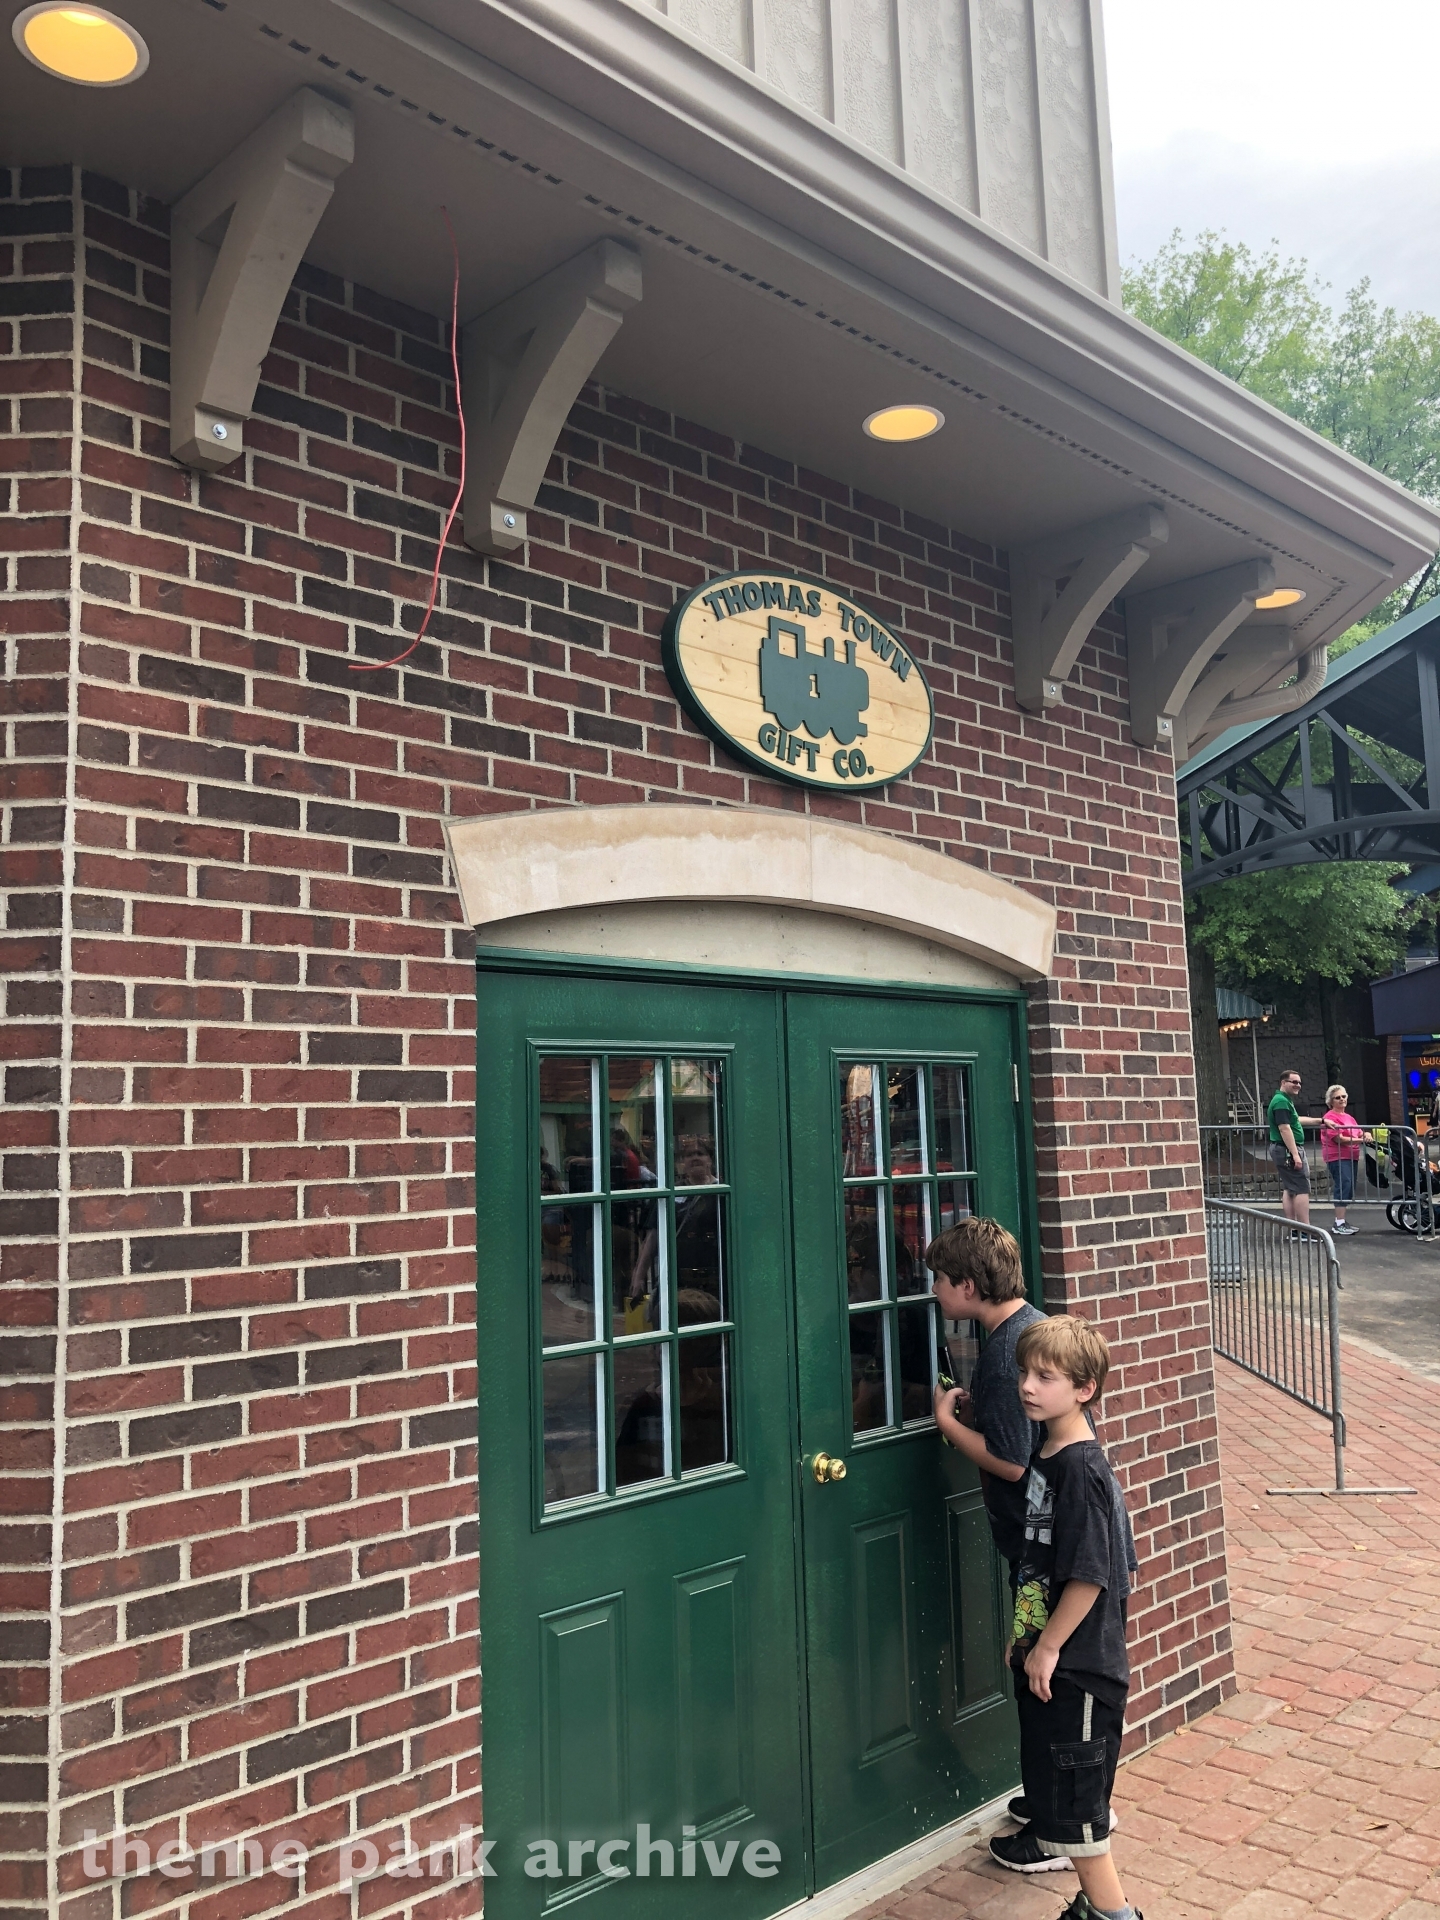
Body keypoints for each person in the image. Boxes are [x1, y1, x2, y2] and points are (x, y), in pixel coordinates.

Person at [986, 1316, 1141, 1920]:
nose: (1027, 1386)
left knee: (1080, 1817)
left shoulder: (1080, 1469)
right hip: (1048, 1657)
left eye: (1045, 1377)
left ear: (1084, 1389)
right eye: (1025, 1372)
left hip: (1078, 1671)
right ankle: (1092, 1905)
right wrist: (1025, 1637)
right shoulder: (1046, 1451)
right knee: (1056, 1797)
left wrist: (1048, 1646)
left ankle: (1111, 1914)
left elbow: (1088, 1575)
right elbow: (1040, 1562)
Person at [1267, 1069, 1322, 1235]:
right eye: (1294, 1082)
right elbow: (1284, 1128)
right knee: (1301, 1188)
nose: (1298, 1085)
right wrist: (1295, 1155)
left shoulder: (1283, 1100)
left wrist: (1320, 1121)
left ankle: (1294, 1228)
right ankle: (1305, 1230)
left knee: (1290, 1188)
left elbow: (1295, 1120)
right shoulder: (1281, 1102)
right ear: (1283, 1083)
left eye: (1299, 1082)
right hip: (1287, 1150)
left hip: (1283, 1149)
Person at [1318, 1085, 1368, 1235]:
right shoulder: (1329, 1118)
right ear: (1330, 1101)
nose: (1342, 1099)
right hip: (1337, 1156)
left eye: (1343, 1096)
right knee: (1343, 1185)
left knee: (1349, 1187)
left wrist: (1366, 1135)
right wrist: (1360, 1140)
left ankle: (1342, 1221)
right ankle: (1339, 1223)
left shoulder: (1349, 1117)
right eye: (1337, 1097)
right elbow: (1339, 1139)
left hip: (1352, 1156)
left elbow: (1360, 1132)